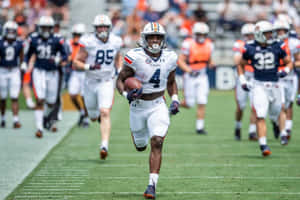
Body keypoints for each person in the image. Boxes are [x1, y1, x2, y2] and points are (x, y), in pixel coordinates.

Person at [116, 22, 179, 199]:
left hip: (158, 104)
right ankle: (137, 136)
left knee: (157, 141)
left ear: (163, 39)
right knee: (141, 146)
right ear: (144, 38)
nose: (154, 40)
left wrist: (175, 99)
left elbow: (171, 81)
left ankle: (151, 185)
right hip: (138, 107)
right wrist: (126, 95)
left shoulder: (170, 57)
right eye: (151, 36)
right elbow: (120, 80)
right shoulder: (133, 56)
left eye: (158, 37)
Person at [238, 21, 292, 156]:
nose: (270, 35)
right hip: (259, 85)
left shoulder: (278, 45)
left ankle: (275, 124)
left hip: (275, 85)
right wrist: (242, 80)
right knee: (260, 115)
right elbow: (241, 65)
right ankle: (263, 144)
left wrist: (285, 70)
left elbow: (289, 62)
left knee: (277, 112)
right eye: (267, 33)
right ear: (259, 34)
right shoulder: (249, 47)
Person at [74, 14, 123, 160]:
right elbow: (76, 62)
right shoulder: (88, 41)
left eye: (104, 27)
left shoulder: (115, 41)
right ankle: (95, 118)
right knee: (94, 117)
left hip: (107, 81)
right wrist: (89, 66)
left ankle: (104, 145)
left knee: (105, 112)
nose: (102, 29)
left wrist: (119, 70)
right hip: (90, 82)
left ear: (109, 28)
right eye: (99, 27)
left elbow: (118, 57)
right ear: (95, 29)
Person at [25, 15, 68, 138]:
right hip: (39, 71)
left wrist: (59, 59)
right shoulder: (33, 38)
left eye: (48, 28)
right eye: (43, 28)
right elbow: (28, 54)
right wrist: (24, 63)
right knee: (40, 99)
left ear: (52, 28)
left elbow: (65, 56)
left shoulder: (57, 39)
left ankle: (44, 118)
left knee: (51, 102)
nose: (45, 31)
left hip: (53, 73)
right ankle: (39, 128)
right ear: (39, 28)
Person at [177, 22, 214, 134]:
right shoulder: (188, 44)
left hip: (202, 75)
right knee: (189, 103)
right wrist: (189, 70)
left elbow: (209, 59)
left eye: (203, 34)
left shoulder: (209, 44)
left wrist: (212, 63)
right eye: (199, 34)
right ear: (194, 34)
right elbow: (180, 61)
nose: (201, 36)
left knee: (202, 100)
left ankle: (200, 127)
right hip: (190, 76)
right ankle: (175, 104)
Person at [273, 19, 300, 140]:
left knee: (289, 104)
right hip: (277, 78)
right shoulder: (271, 43)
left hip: (290, 77)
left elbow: (299, 60)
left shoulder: (293, 42)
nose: (281, 32)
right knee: (281, 105)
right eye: (279, 30)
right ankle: (283, 132)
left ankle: (287, 127)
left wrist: (289, 66)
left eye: (283, 30)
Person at [233, 23, 257, 141]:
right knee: (240, 106)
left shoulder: (259, 45)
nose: (249, 37)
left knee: (255, 105)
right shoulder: (240, 44)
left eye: (251, 35)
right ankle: (237, 127)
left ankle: (252, 131)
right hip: (243, 76)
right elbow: (237, 60)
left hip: (255, 77)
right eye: (247, 35)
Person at [0, 21, 26, 128]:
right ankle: (3, 118)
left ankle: (16, 120)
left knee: (14, 96)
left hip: (14, 70)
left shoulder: (19, 43)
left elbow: (21, 57)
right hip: (2, 70)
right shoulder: (1, 42)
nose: (11, 33)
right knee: (3, 97)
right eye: (9, 31)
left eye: (12, 31)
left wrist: (23, 65)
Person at [67, 23, 89, 127]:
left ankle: (86, 117)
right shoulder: (70, 44)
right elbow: (68, 57)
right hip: (75, 72)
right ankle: (81, 112)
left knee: (84, 96)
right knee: (72, 95)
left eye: (78, 35)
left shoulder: (87, 44)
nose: (76, 37)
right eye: (75, 35)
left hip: (85, 72)